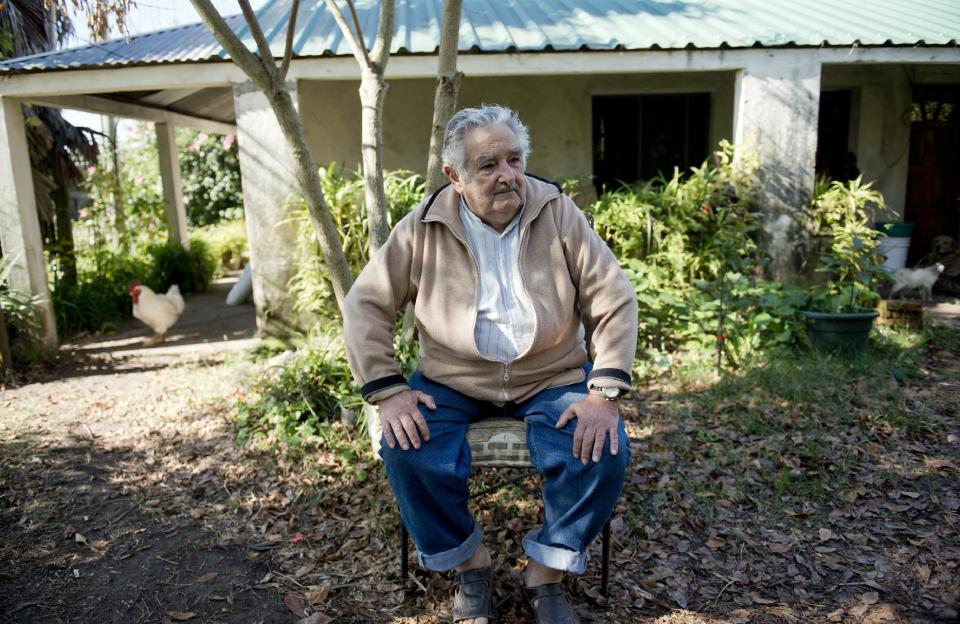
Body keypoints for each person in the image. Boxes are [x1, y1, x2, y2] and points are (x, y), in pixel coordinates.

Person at [344, 105, 638, 624]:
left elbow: (612, 297)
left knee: (600, 449)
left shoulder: (557, 211)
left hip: (550, 375)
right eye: (488, 165)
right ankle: (470, 565)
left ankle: (545, 573)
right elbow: (366, 303)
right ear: (454, 176)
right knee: (407, 447)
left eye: (514, 160)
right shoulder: (423, 227)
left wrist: (602, 394)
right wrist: (389, 391)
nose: (507, 175)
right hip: (451, 379)